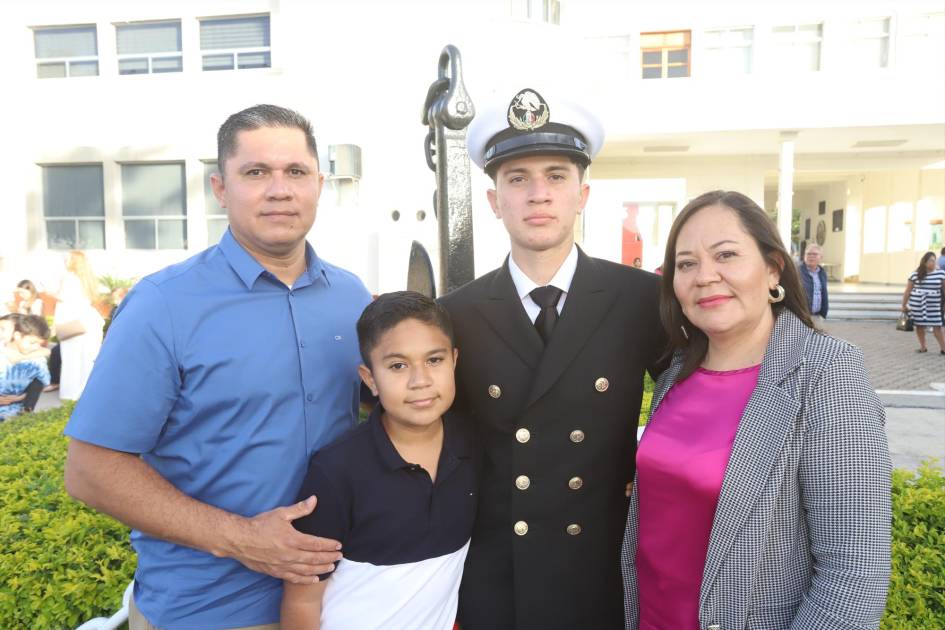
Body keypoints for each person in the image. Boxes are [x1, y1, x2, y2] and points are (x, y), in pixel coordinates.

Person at [63, 104, 372, 629]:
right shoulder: (164, 304)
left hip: (337, 600)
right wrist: (243, 539)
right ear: (220, 189)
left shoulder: (351, 297)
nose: (280, 190)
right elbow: (90, 469)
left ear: (319, 185)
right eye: (256, 172)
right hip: (209, 610)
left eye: (296, 172)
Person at [441, 87, 666, 630]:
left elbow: (694, 402)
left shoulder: (641, 299)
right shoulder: (454, 313)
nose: (538, 194)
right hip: (499, 574)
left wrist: (654, 471)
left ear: (582, 195)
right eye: (518, 179)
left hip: (600, 568)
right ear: (494, 200)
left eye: (556, 176)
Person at [621, 190, 891, 629]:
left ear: (772, 269)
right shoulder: (675, 374)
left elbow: (854, 575)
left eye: (726, 255)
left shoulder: (825, 372)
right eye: (686, 264)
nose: (705, 276)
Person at [281, 291, 476, 629]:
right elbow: (302, 601)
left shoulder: (472, 446)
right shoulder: (336, 471)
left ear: (454, 362)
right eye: (398, 366)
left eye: (434, 360)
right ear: (370, 378)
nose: (420, 381)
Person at [54, 251, 104, 400]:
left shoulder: (69, 277)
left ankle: (71, 395)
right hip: (90, 322)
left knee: (71, 360)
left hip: (72, 323)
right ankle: (89, 393)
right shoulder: (89, 279)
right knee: (89, 360)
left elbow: (63, 301)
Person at [1, 314, 52, 420]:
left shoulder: (37, 360)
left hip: (14, 414)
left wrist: (24, 399)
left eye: (39, 344)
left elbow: (39, 383)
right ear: (17, 335)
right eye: (32, 342)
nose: (36, 347)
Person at [901, 251, 945, 354]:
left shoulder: (941, 274)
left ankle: (943, 348)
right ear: (924, 262)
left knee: (937, 326)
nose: (933, 263)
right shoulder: (915, 274)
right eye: (931, 261)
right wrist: (903, 305)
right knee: (919, 326)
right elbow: (907, 291)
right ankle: (923, 347)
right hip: (918, 305)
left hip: (934, 306)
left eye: (934, 260)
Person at [798, 243, 828, 323]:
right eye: (808, 254)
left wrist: (823, 313)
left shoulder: (822, 273)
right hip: (801, 316)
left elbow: (823, 293)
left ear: (821, 257)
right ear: (804, 256)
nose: (811, 256)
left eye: (814, 254)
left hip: (817, 316)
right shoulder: (797, 272)